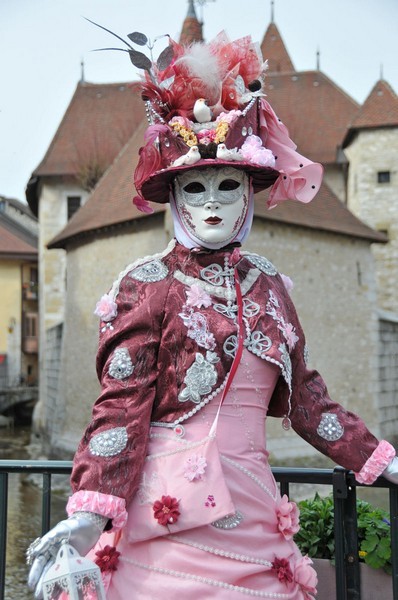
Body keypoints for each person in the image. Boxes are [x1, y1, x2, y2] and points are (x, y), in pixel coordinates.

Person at [27, 32, 398, 599]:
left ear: (249, 193)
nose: (211, 203)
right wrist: (86, 516)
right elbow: (120, 411)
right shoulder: (146, 286)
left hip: (255, 517)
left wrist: (380, 460)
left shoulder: (269, 286)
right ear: (174, 199)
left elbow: (308, 404)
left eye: (228, 186)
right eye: (193, 189)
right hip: (165, 522)